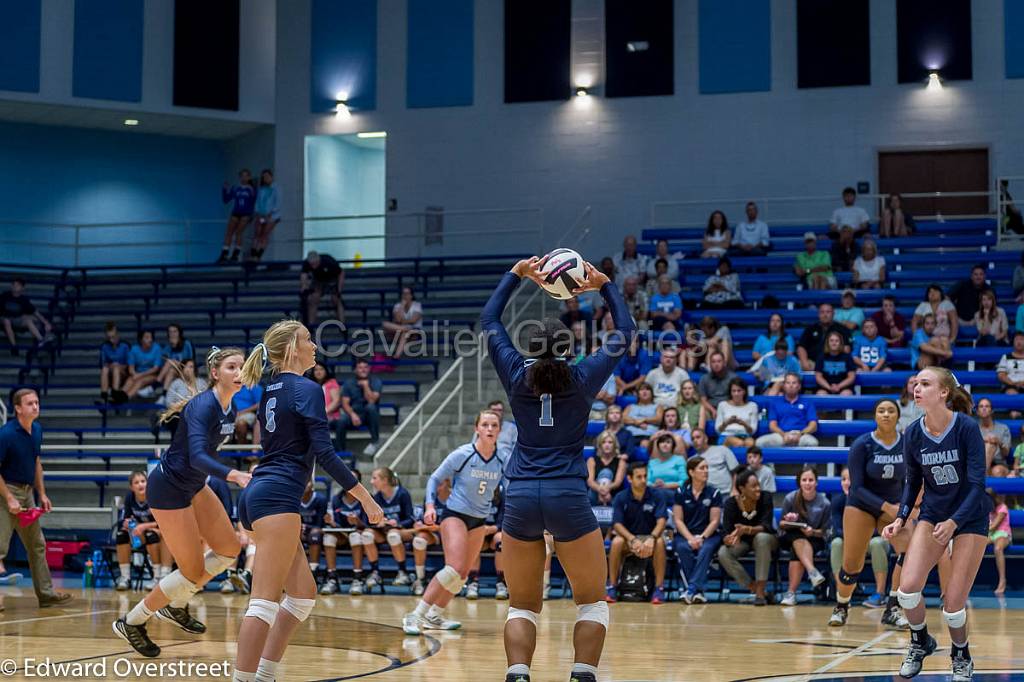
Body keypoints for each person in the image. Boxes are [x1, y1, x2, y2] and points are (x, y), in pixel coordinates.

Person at [481, 255, 636, 682]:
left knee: (522, 604)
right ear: (569, 349)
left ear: (530, 348)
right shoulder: (583, 377)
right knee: (591, 601)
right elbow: (625, 332)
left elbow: (490, 320)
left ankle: (517, 675)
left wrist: (516, 275)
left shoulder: (515, 375)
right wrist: (603, 286)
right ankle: (581, 674)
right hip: (567, 494)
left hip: (521, 495)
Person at [232, 321, 382, 682]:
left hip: (260, 494)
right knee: (264, 602)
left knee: (302, 596)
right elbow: (325, 454)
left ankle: (264, 674)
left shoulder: (272, 388)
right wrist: (366, 499)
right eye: (308, 340)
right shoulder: (308, 388)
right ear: (291, 350)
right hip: (277, 499)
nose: (315, 346)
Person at [113, 348, 252, 657]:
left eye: (241, 367)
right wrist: (234, 475)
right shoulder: (203, 406)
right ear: (215, 373)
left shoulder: (231, 410)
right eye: (232, 367)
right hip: (169, 489)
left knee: (230, 549)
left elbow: (204, 457)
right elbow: (199, 456)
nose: (239, 372)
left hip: (194, 485)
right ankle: (133, 621)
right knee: (191, 570)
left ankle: (174, 603)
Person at [882, 367, 991, 681]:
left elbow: (976, 484)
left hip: (969, 516)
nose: (917, 388)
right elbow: (912, 481)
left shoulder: (967, 428)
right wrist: (901, 517)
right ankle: (920, 641)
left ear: (943, 392)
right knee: (907, 589)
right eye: (916, 384)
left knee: (953, 604)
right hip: (932, 514)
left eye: (925, 384)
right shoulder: (914, 432)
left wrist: (955, 522)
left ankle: (961, 655)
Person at [402, 410, 507, 634]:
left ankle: (434, 615)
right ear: (476, 429)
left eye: (494, 425)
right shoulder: (463, 454)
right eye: (485, 425)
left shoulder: (503, 459)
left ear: (499, 430)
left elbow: (513, 485)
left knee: (461, 576)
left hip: (479, 520)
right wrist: (430, 506)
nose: (489, 429)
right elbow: (435, 479)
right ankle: (415, 615)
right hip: (455, 515)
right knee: (453, 568)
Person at [828, 398, 914, 627]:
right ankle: (842, 606)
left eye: (890, 411)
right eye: (881, 411)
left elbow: (911, 482)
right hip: (861, 505)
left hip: (894, 506)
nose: (886, 414)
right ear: (875, 416)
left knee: (908, 552)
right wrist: (888, 507)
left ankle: (893, 608)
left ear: (898, 416)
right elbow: (856, 488)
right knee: (852, 565)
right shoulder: (862, 444)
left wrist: (904, 509)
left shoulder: (907, 444)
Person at [0, 389, 73, 608]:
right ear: (18, 408)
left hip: (28, 494)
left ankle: (46, 594)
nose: (35, 407)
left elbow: (36, 463)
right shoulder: (6, 434)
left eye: (37, 402)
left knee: (37, 545)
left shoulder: (37, 430)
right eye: (30, 403)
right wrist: (10, 498)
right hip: (6, 494)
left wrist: (42, 493)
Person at [606, 463, 668, 604]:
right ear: (629, 478)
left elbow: (662, 521)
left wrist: (651, 538)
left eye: (645, 476)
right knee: (616, 542)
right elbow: (617, 524)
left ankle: (659, 589)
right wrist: (632, 539)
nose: (643, 480)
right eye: (639, 477)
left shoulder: (657, 495)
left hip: (652, 536)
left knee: (660, 542)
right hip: (630, 538)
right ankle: (612, 587)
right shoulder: (621, 497)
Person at [718, 468, 777, 605]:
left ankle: (761, 592)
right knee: (723, 553)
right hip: (743, 542)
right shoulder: (731, 503)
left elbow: (767, 525)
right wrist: (728, 539)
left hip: (767, 540)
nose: (758, 489)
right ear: (742, 489)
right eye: (753, 486)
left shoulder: (766, 497)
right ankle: (755, 589)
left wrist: (747, 529)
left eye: (758, 485)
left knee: (761, 538)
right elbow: (726, 530)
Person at [778, 467, 831, 606]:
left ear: (816, 483)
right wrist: (790, 520)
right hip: (790, 536)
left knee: (797, 551)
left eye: (811, 480)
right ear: (799, 482)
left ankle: (790, 593)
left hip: (814, 539)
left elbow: (825, 532)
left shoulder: (825, 503)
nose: (807, 483)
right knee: (796, 536)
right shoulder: (791, 498)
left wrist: (813, 532)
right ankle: (812, 571)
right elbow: (781, 524)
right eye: (804, 480)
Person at [673, 457, 722, 604]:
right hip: (685, 534)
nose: (706, 471)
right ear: (691, 472)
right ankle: (698, 591)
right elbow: (678, 520)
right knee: (682, 547)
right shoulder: (681, 491)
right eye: (702, 468)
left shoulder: (714, 492)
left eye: (707, 467)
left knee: (705, 549)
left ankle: (691, 589)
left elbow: (715, 520)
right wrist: (690, 538)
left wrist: (701, 537)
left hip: (708, 535)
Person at [322, 469, 378, 596]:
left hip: (359, 535)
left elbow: (370, 525)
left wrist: (358, 522)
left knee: (355, 536)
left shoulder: (366, 498)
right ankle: (332, 579)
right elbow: (336, 525)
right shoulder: (337, 499)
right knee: (328, 538)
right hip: (341, 535)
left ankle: (357, 579)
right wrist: (331, 522)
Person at [114, 470, 170, 591]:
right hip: (140, 532)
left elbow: (164, 522)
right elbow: (125, 518)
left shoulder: (155, 496)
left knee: (151, 535)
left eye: (143, 481)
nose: (140, 484)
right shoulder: (130, 497)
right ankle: (125, 577)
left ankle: (157, 577)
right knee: (121, 535)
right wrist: (126, 523)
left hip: (160, 531)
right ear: (131, 487)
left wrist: (144, 526)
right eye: (136, 482)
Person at [367, 467, 417, 589]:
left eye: (374, 478)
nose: (371, 482)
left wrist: (397, 523)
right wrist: (378, 523)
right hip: (383, 532)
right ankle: (375, 572)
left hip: (402, 532)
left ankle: (402, 572)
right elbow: (369, 521)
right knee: (366, 535)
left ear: (385, 480)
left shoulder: (402, 494)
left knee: (393, 535)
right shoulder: (377, 497)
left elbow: (411, 519)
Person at [755, 373, 819, 447]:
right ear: (784, 386)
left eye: (794, 383)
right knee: (760, 443)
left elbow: (813, 425)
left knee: (812, 443)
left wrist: (800, 434)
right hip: (781, 434)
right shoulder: (775, 403)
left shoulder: (808, 403)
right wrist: (784, 434)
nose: (791, 385)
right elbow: (772, 425)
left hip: (801, 434)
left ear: (799, 386)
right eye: (788, 383)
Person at [337, 358, 383, 457]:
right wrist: (353, 415)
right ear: (355, 370)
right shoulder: (349, 383)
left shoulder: (375, 381)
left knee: (371, 407)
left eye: (365, 367)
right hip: (354, 413)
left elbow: (372, 401)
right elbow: (345, 403)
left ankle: (375, 441)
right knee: (341, 420)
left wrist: (366, 386)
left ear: (369, 369)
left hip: (369, 415)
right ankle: (341, 453)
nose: (363, 370)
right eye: (360, 368)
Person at [1, 278, 52, 355]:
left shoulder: (24, 300)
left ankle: (41, 340)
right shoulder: (5, 295)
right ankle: (14, 347)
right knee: (6, 321)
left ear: (22, 288)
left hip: (16, 320)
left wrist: (46, 323)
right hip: (3, 318)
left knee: (28, 320)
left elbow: (35, 312)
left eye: (17, 285)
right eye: (13, 285)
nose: (14, 286)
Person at [796, 303, 850, 371]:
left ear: (833, 314)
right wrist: (804, 362)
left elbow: (846, 349)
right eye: (822, 312)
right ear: (818, 314)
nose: (825, 315)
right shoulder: (811, 328)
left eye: (828, 312)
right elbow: (801, 347)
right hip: (812, 363)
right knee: (797, 364)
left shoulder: (842, 329)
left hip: (834, 363)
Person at [218, 170, 257, 263]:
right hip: (235, 213)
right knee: (229, 233)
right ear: (239, 177)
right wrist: (224, 189)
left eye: (246, 176)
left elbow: (255, 202)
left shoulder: (252, 189)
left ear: (249, 177)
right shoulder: (235, 188)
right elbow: (226, 200)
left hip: (246, 214)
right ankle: (224, 254)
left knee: (238, 233)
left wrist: (252, 215)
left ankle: (235, 255)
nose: (244, 178)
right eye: (242, 176)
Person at [300, 250, 345, 327]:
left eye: (315, 264)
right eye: (312, 264)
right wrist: (304, 286)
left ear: (319, 260)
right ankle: (311, 326)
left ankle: (342, 324)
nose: (313, 266)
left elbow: (341, 273)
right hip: (318, 280)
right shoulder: (306, 263)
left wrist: (339, 288)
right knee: (313, 299)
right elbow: (304, 275)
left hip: (332, 279)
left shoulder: (329, 262)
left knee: (336, 299)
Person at [298, 482, 329, 588]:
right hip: (299, 529)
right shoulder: (294, 498)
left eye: (308, 481)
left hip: (316, 530)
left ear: (312, 485)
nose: (305, 484)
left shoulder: (320, 499)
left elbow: (319, 525)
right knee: (290, 537)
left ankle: (313, 570)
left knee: (314, 536)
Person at [689, 428, 737, 496]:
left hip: (726, 493)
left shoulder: (722, 450)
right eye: (692, 439)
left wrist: (734, 489)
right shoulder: (691, 460)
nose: (695, 441)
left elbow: (736, 472)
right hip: (705, 496)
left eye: (698, 437)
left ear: (706, 439)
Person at [587, 431, 628, 506]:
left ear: (614, 445)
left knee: (606, 472)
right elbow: (590, 481)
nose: (607, 445)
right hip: (595, 494)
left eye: (610, 442)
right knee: (605, 472)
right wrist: (600, 490)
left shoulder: (621, 462)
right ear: (600, 445)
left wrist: (606, 490)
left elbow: (617, 482)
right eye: (604, 442)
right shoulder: (591, 460)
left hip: (614, 494)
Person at [120, 330, 163, 400]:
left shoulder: (157, 348)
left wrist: (139, 375)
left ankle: (126, 397)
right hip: (137, 374)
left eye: (151, 337)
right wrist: (134, 375)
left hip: (153, 375)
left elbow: (156, 368)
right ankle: (120, 394)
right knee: (130, 379)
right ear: (141, 340)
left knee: (140, 381)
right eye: (147, 337)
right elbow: (131, 368)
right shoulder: (134, 349)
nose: (150, 340)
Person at [382, 286, 423, 359]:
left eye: (407, 294)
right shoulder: (398, 306)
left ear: (411, 295)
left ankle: (396, 355)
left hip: (414, 331)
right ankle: (406, 329)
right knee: (385, 324)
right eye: (403, 294)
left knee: (405, 333)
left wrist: (403, 321)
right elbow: (397, 320)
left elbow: (413, 320)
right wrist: (402, 306)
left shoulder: (417, 305)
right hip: (400, 330)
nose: (405, 296)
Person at [715, 377, 757, 448]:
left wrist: (744, 424)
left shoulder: (752, 406)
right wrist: (727, 422)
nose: (736, 394)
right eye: (733, 391)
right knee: (738, 443)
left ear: (744, 391)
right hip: (726, 435)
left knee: (750, 444)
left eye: (739, 391)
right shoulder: (722, 405)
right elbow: (718, 430)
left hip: (745, 435)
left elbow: (752, 431)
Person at [815, 330, 856, 396]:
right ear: (827, 343)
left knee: (846, 394)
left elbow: (851, 377)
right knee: (821, 394)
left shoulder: (847, 357)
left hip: (844, 387)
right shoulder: (821, 357)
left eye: (837, 341)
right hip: (825, 387)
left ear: (840, 343)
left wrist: (838, 386)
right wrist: (829, 387)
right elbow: (818, 377)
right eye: (831, 340)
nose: (834, 343)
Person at [251, 169, 280, 261]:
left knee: (264, 234)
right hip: (261, 215)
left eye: (267, 176)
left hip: (271, 216)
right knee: (257, 233)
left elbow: (278, 203)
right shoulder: (261, 189)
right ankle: (253, 254)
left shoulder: (276, 188)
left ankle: (258, 255)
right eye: (264, 177)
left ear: (271, 177)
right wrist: (257, 213)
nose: (266, 179)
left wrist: (270, 213)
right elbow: (258, 202)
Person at [698, 351, 736, 420]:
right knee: (702, 412)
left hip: (729, 408)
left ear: (724, 363)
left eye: (719, 361)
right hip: (710, 409)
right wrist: (712, 410)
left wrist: (723, 410)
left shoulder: (733, 378)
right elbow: (703, 400)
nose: (716, 364)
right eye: (713, 362)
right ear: (710, 364)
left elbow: (736, 398)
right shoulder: (704, 379)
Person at [157, 324, 195, 390]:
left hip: (187, 369)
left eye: (175, 331)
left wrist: (177, 362)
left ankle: (156, 384)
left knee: (170, 361)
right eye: (170, 332)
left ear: (179, 333)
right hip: (175, 371)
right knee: (171, 371)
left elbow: (191, 361)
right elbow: (163, 362)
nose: (172, 334)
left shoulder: (187, 344)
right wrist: (173, 347)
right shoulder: (168, 346)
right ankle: (164, 394)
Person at [976, 398, 1011, 470]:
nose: (984, 408)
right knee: (989, 444)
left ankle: (982, 475)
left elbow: (1006, 454)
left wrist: (999, 442)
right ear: (977, 411)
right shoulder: (973, 429)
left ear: (992, 411)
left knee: (997, 471)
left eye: (987, 406)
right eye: (981, 406)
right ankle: (983, 473)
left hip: (999, 463)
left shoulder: (1003, 428)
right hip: (978, 463)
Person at [100, 321, 131, 402]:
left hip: (123, 373)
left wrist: (117, 365)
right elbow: (104, 363)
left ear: (117, 335)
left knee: (116, 368)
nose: (111, 340)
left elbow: (129, 364)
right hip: (110, 372)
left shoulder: (125, 346)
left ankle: (115, 394)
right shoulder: (104, 346)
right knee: (104, 369)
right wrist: (112, 365)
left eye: (113, 337)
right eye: (109, 337)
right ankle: (104, 395)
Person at [988, 490, 1010, 596]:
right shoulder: (987, 508)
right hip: (990, 534)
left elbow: (994, 526)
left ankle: (1002, 580)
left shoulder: (1002, 508)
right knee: (974, 547)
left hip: (1002, 533)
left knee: (997, 549)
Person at [310, 362, 341, 431]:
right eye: (316, 370)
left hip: (330, 415)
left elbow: (336, 401)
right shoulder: (310, 385)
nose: (319, 372)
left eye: (321, 369)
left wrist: (322, 413)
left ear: (326, 371)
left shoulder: (332, 382)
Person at [233, 381, 263, 446]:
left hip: (248, 413)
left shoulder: (253, 386)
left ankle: (244, 452)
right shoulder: (232, 386)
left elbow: (260, 404)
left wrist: (242, 412)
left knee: (241, 424)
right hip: (232, 414)